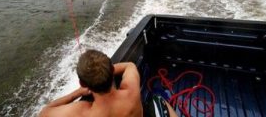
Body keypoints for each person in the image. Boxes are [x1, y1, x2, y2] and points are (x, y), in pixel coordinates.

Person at [39, 49, 178, 117]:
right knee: (158, 99)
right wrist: (105, 70)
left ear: (83, 83)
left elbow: (44, 112)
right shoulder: (131, 91)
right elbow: (129, 66)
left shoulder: (82, 111)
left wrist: (77, 93)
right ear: (112, 70)